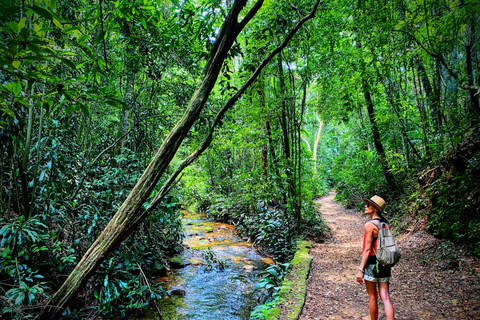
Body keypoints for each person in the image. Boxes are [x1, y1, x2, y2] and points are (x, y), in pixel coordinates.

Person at [356, 195, 395, 320]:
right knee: (386, 297)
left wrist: (360, 270)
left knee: (372, 296)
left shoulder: (369, 225)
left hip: (372, 263)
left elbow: (367, 250)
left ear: (376, 209)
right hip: (385, 262)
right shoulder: (386, 223)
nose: (365, 206)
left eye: (369, 205)